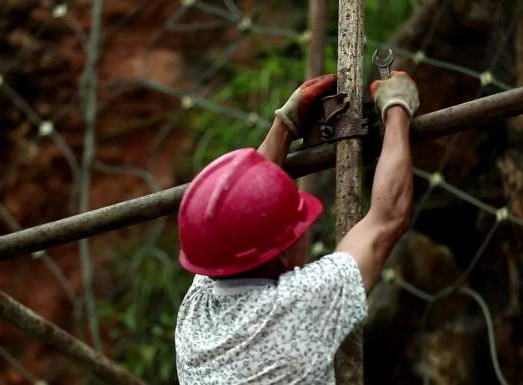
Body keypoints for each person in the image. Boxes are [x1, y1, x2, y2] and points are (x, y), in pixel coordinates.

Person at [175, 71, 419, 384]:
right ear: (283, 255)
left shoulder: (196, 314)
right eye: (298, 227)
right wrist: (398, 108)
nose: (303, 232)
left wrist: (285, 124)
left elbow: (233, 213)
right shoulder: (299, 306)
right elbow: (387, 219)